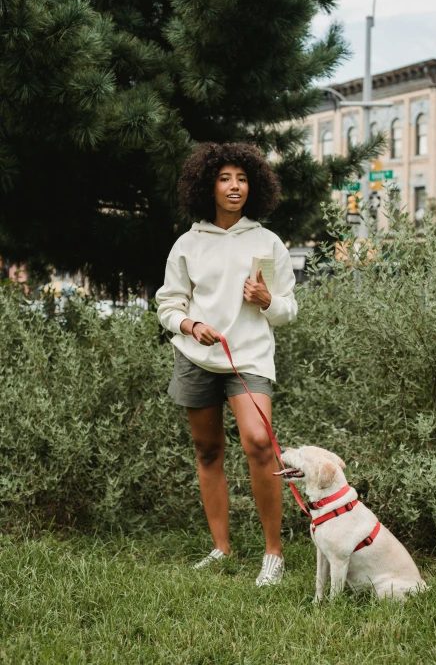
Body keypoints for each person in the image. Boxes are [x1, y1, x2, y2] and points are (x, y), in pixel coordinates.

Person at [156, 142, 297, 586]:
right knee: (208, 450)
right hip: (197, 357)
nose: (234, 186)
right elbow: (167, 305)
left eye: (241, 178)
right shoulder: (188, 243)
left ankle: (273, 554)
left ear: (253, 186)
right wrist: (190, 325)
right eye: (224, 178)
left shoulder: (267, 241)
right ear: (208, 186)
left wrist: (268, 300)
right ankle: (221, 548)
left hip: (249, 357)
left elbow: (288, 310)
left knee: (259, 443)